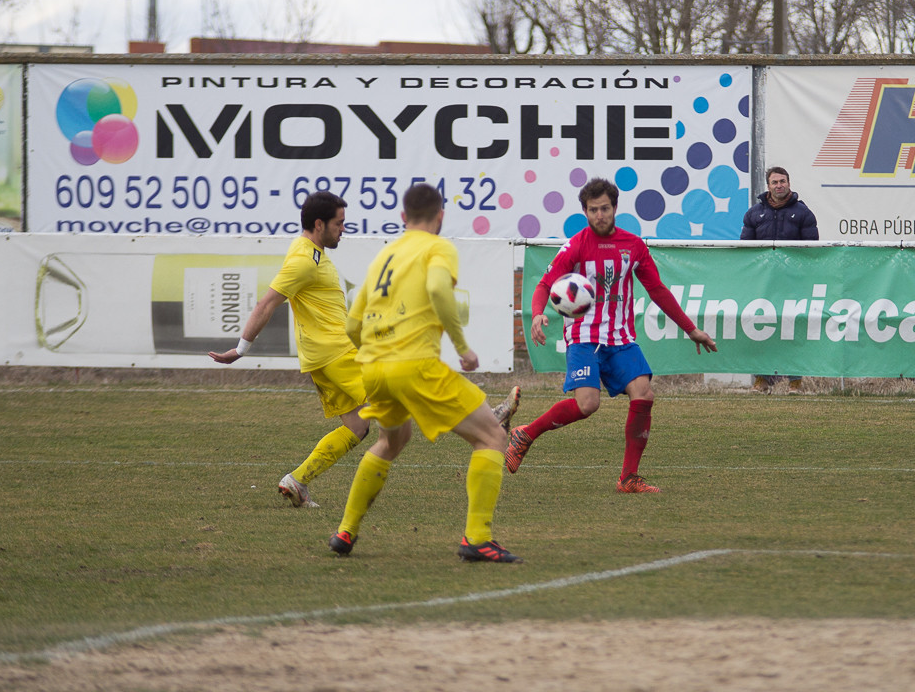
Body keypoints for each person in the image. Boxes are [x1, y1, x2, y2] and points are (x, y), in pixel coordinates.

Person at [208, 189, 521, 509]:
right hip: (338, 354)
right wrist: (241, 349)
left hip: (322, 358)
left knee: (357, 427)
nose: (343, 229)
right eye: (339, 224)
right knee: (401, 387)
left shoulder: (308, 252)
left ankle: (298, 480)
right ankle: (487, 419)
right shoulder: (304, 260)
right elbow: (268, 302)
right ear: (319, 224)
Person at [329, 183, 522, 563]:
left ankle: (345, 531)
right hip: (414, 364)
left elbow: (353, 323)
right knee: (493, 437)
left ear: (403, 218)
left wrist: (376, 352)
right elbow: (436, 287)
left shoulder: (384, 256)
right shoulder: (438, 247)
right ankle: (477, 539)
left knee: (391, 441)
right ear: (440, 217)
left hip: (374, 369)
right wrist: (462, 347)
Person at [505, 177, 717, 493]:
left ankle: (628, 478)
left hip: (621, 339)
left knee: (644, 395)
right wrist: (536, 314)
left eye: (605, 208)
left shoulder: (633, 246)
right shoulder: (576, 246)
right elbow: (545, 285)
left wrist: (691, 329)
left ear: (615, 208)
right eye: (593, 210)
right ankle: (526, 434)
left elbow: (657, 290)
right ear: (585, 212)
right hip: (583, 337)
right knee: (587, 405)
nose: (600, 215)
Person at [739, 165, 819, 394]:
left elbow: (811, 250)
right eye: (774, 182)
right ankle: (762, 380)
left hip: (793, 283)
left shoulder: (804, 213)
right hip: (763, 284)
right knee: (761, 329)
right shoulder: (754, 213)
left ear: (789, 183)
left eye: (782, 181)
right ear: (768, 186)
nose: (779, 185)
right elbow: (747, 250)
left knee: (793, 329)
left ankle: (795, 381)